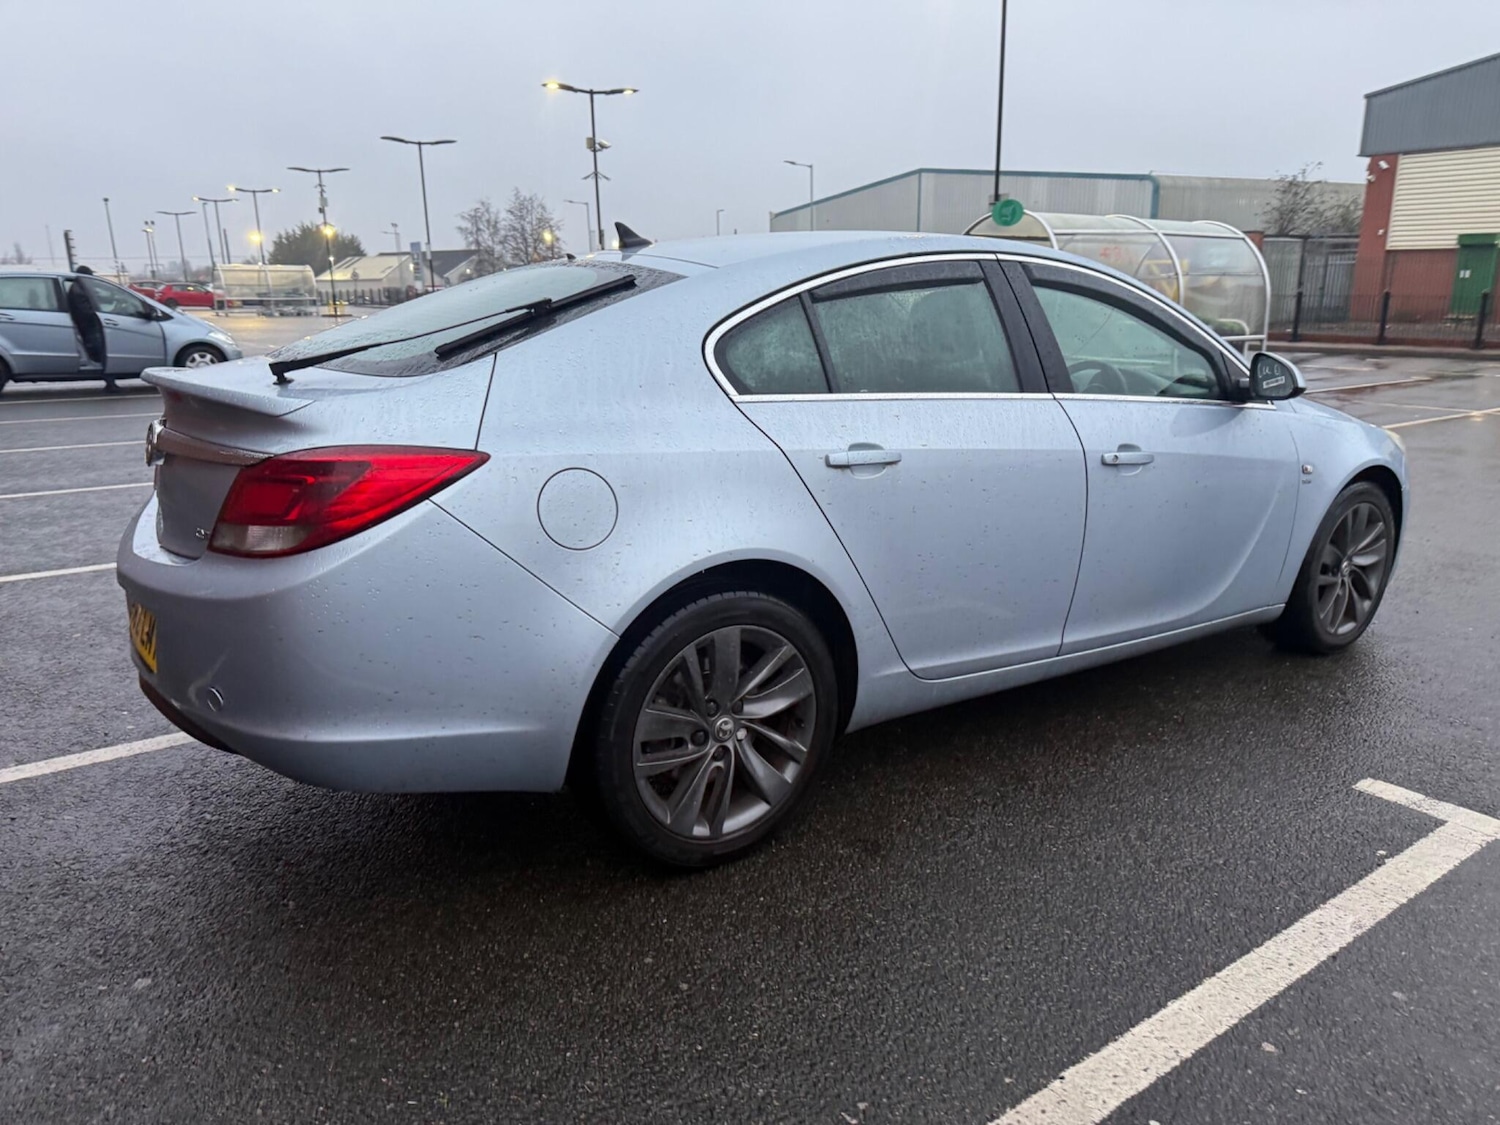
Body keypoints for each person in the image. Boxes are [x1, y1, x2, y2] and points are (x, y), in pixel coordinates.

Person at [65, 274, 113, 392]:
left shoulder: (76, 288)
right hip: (89, 326)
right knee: (103, 353)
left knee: (101, 352)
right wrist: (97, 317)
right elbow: (86, 310)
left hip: (85, 325)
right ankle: (110, 382)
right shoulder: (80, 290)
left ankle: (110, 381)